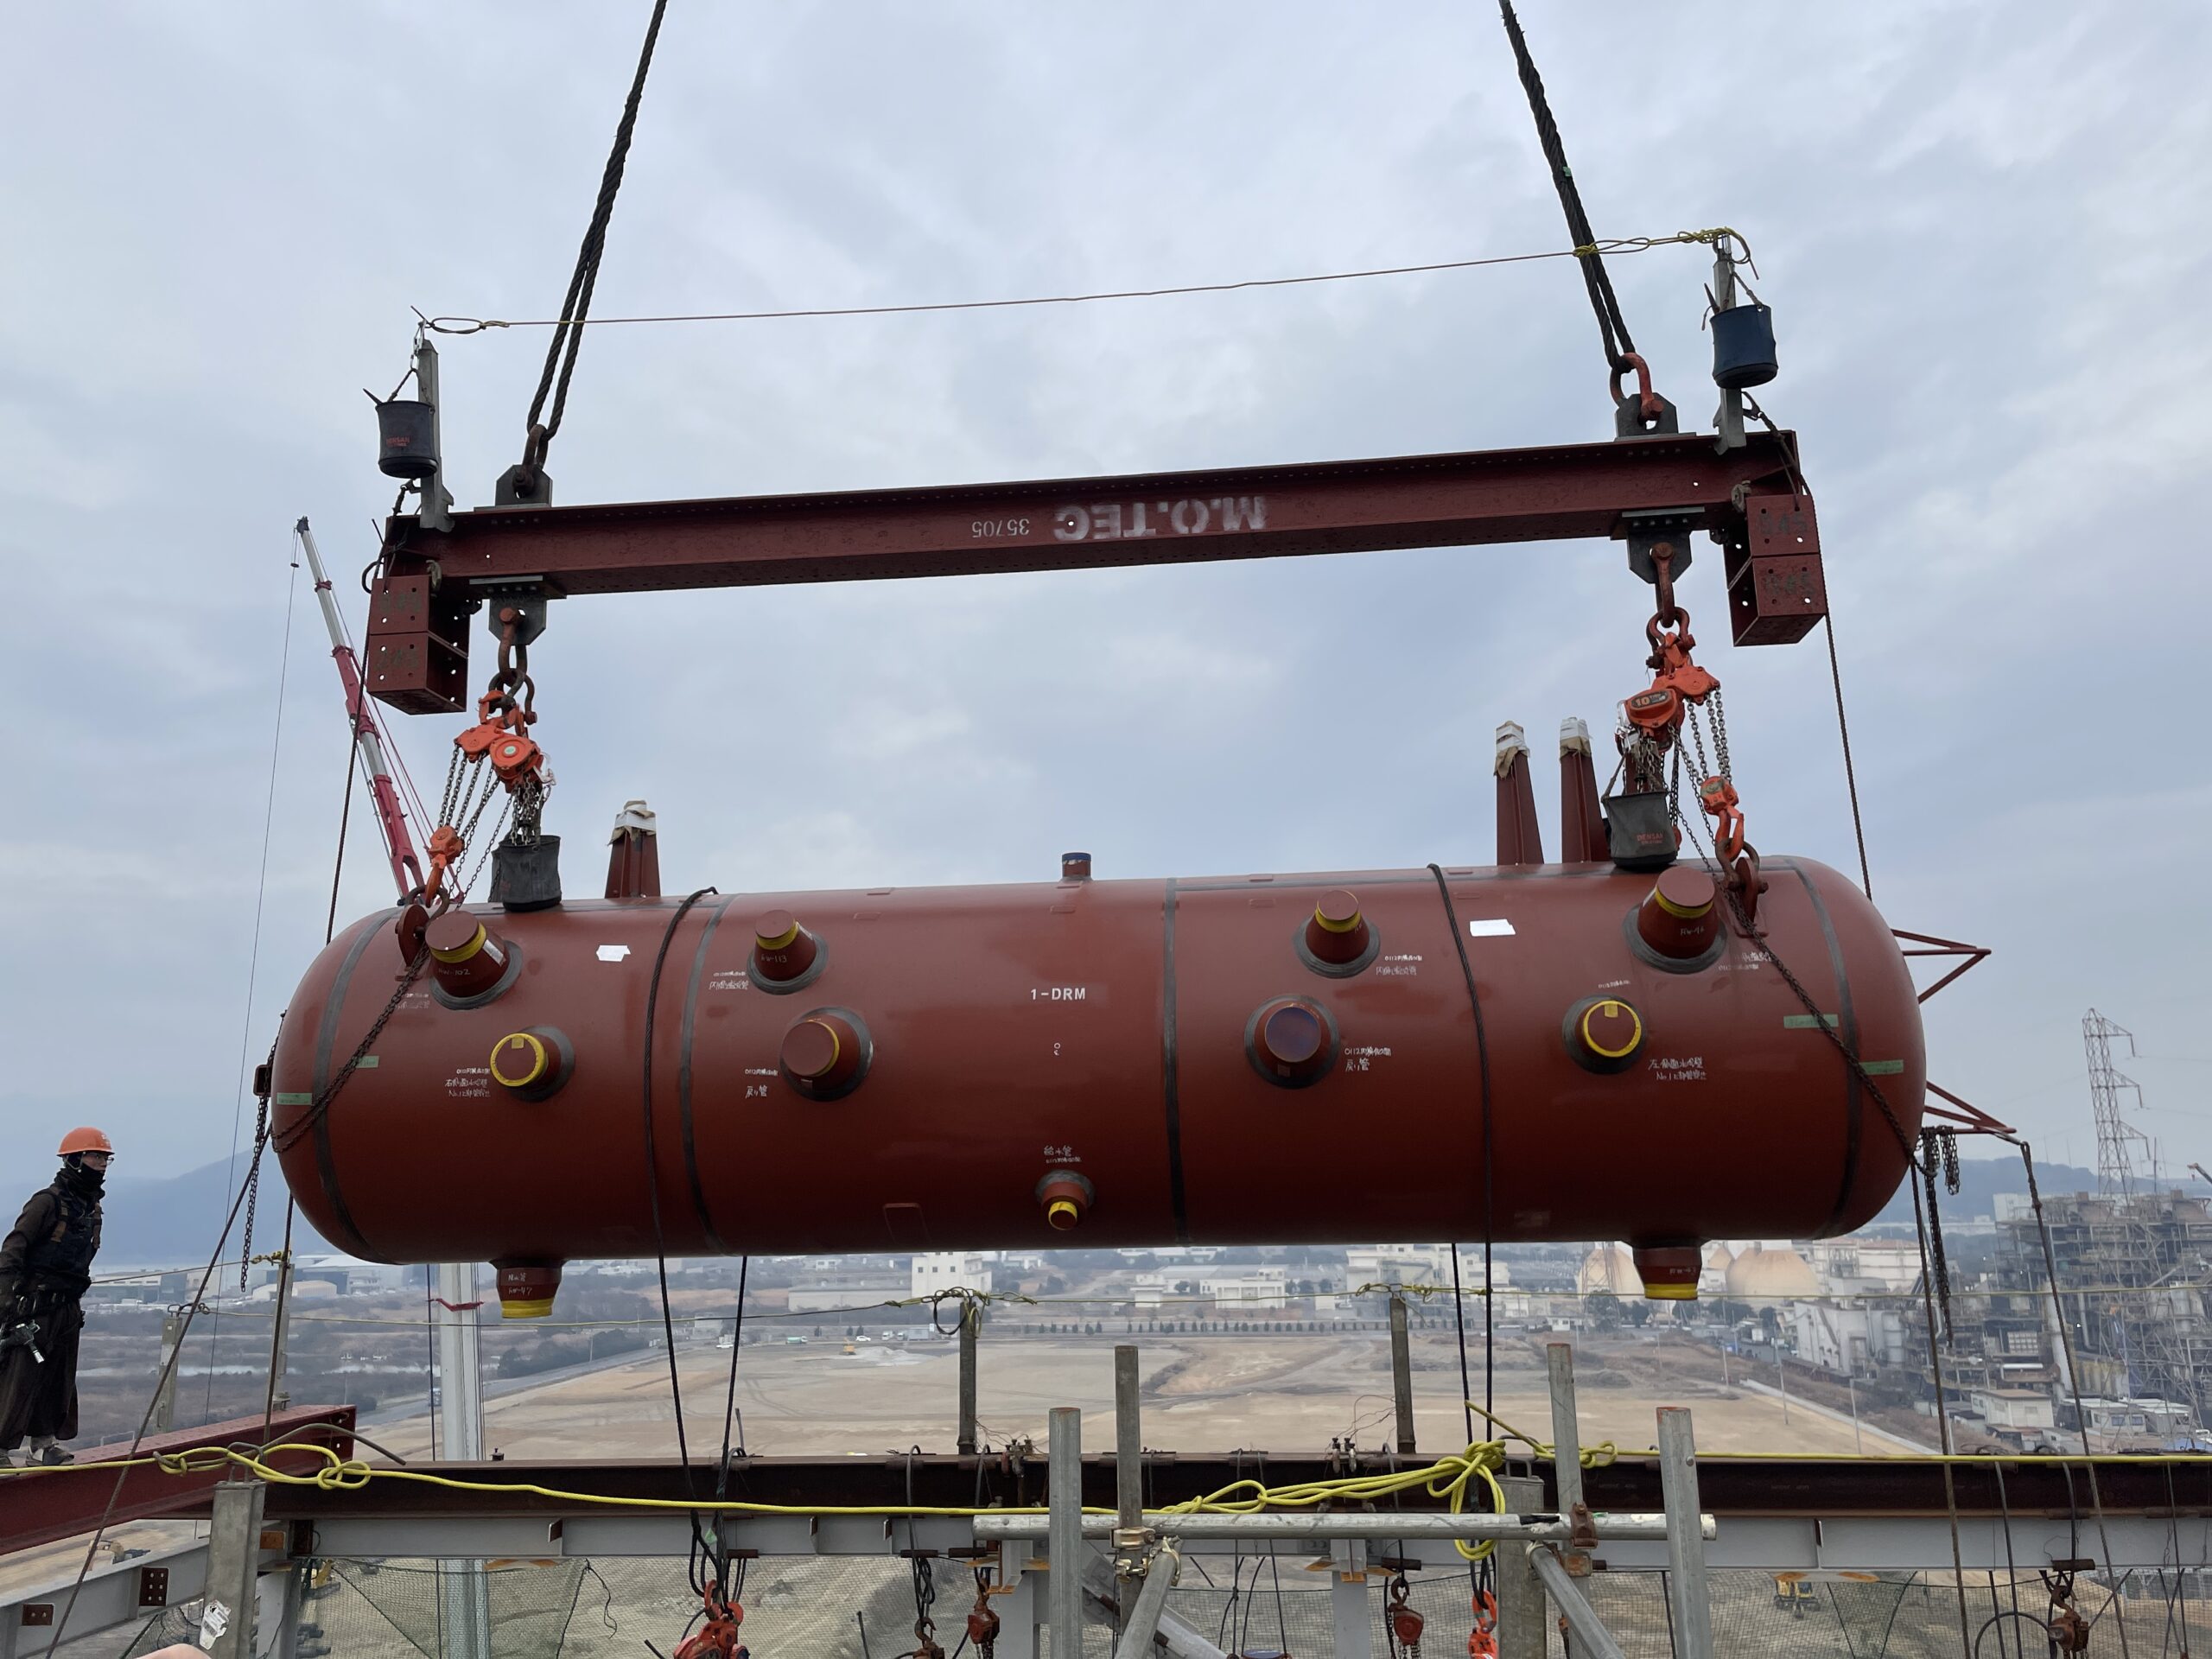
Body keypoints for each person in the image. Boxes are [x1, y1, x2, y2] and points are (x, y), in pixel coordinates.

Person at [0, 1127, 111, 1465]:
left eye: (105, 1158)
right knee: (19, 1379)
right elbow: (13, 1248)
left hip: (66, 1308)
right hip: (34, 1308)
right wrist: (6, 1300)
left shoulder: (90, 1208)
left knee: (58, 1381)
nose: (101, 1163)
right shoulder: (47, 1203)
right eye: (95, 1156)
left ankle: (43, 1447)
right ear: (74, 1159)